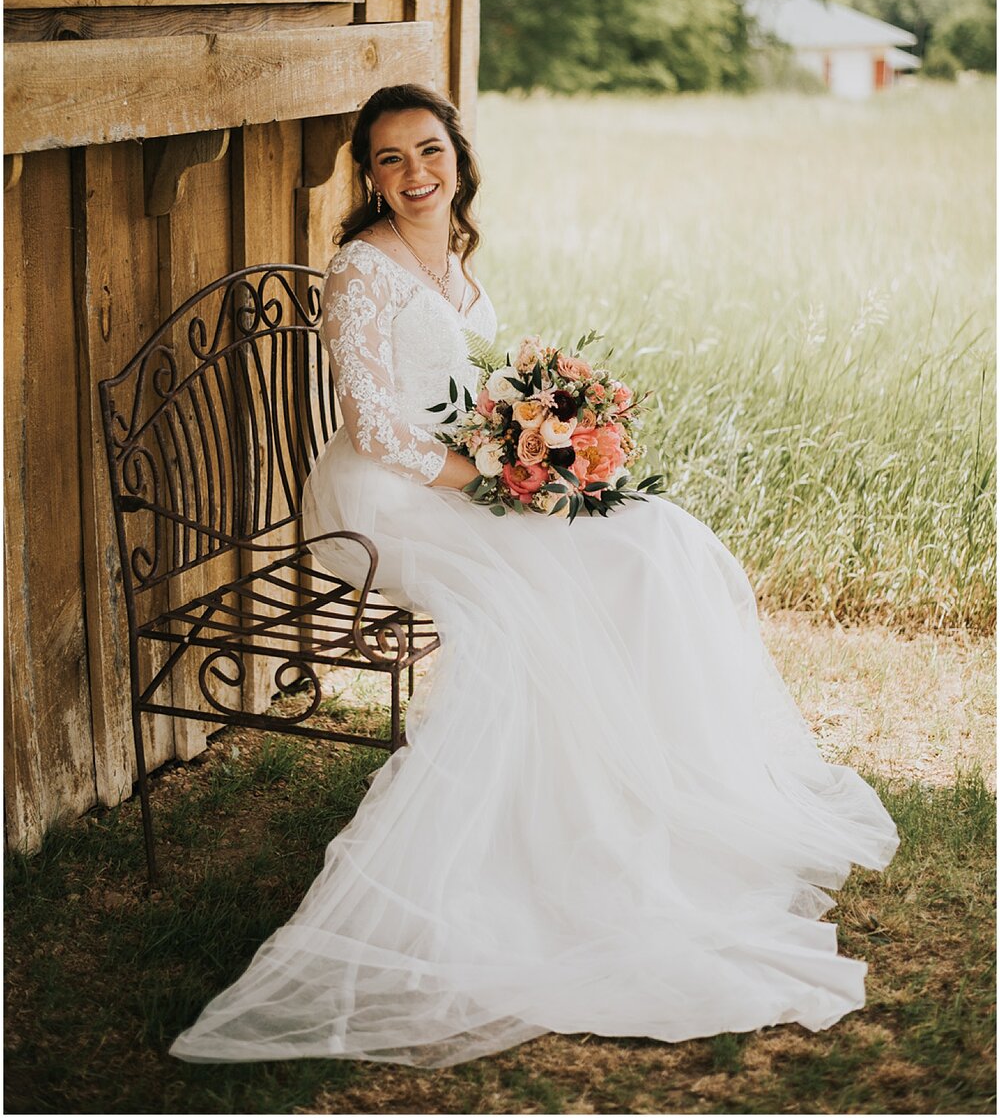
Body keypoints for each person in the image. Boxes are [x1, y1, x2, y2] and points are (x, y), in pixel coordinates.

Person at [170, 82, 898, 1069]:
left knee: (654, 540)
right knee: (557, 587)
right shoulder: (358, 271)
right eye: (390, 160)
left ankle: (650, 799)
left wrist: (541, 444)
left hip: (457, 481)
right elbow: (377, 429)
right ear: (369, 178)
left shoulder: (455, 260)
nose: (416, 174)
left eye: (429, 151)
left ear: (457, 157)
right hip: (381, 506)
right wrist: (501, 483)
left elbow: (464, 394)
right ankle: (558, 834)